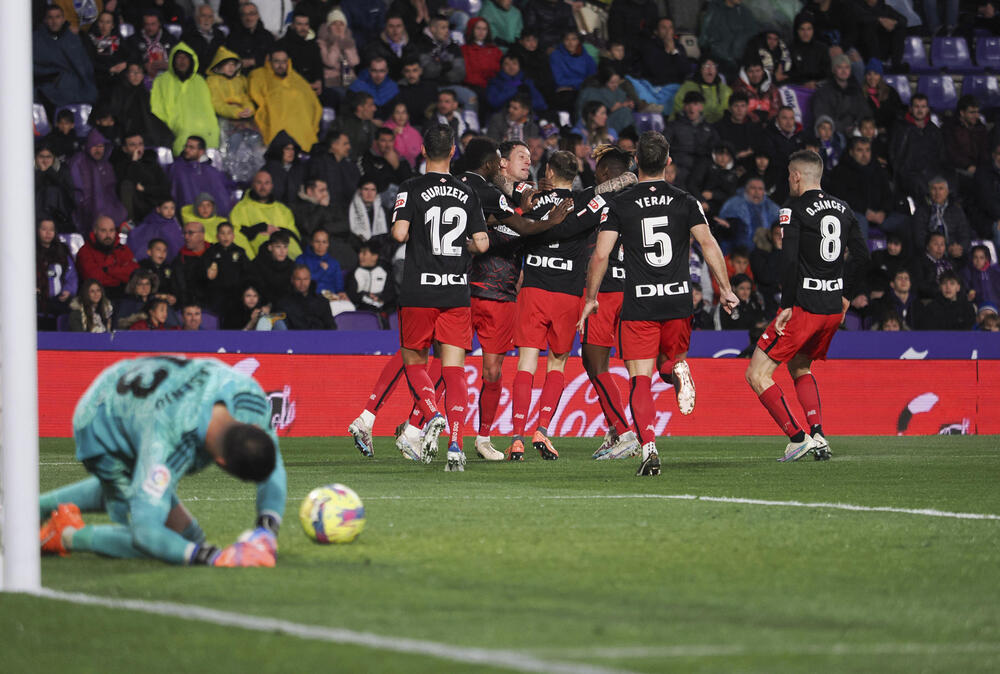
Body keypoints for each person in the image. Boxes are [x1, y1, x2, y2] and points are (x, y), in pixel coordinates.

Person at [580, 131, 739, 476]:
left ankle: (649, 450)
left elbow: (601, 256)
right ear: (668, 162)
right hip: (679, 302)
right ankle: (677, 370)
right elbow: (709, 245)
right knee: (670, 363)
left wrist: (592, 298)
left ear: (637, 162)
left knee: (640, 379)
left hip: (641, 304)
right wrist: (725, 289)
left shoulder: (619, 204)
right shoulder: (686, 201)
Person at [38, 356, 284, 567]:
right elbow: (146, 532)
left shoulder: (249, 397)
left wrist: (267, 529)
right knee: (177, 538)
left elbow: (272, 463)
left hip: (139, 392)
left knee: (177, 530)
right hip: (102, 421)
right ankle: (65, 535)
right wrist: (209, 557)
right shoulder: (167, 445)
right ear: (220, 462)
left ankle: (39, 506)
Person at [744, 150, 869, 462]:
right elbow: (863, 256)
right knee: (801, 366)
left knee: (757, 375)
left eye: (789, 175)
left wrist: (786, 304)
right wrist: (846, 295)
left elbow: (789, 260)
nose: (788, 180)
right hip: (830, 309)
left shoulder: (793, 210)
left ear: (797, 176)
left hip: (803, 307)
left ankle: (798, 438)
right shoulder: (844, 208)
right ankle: (818, 435)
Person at [381, 124, 490, 471]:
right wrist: (465, 245)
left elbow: (399, 233)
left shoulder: (410, 187)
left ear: (424, 152)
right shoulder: (467, 190)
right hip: (456, 290)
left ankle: (431, 414)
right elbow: (483, 243)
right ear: (453, 151)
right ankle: (456, 445)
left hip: (419, 289)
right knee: (454, 369)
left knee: (414, 361)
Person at [151, 43, 220, 157]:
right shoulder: (161, 81)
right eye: (179, 57)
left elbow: (208, 109)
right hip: (175, 131)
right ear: (173, 59)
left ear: (191, 60)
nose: (182, 61)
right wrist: (173, 126)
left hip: (204, 132)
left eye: (186, 58)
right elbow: (157, 108)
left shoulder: (200, 81)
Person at [827, 136, 900, 241]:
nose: (864, 154)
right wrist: (865, 211)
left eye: (867, 150)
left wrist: (884, 212)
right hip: (855, 213)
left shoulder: (879, 170)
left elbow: (888, 195)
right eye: (860, 150)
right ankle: (861, 257)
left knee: (904, 221)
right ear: (851, 152)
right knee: (860, 222)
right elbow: (840, 197)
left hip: (879, 215)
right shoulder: (840, 171)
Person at [249, 48, 323, 151]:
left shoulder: (296, 78)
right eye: (277, 61)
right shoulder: (259, 75)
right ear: (269, 62)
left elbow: (313, 102)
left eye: (284, 61)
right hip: (276, 119)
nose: (281, 65)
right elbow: (257, 96)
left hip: (301, 123)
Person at [33, 4, 98, 109]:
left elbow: (84, 65)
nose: (54, 21)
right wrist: (54, 74)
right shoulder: (36, 39)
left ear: (63, 19)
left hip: (76, 84)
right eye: (50, 17)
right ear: (45, 20)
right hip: (49, 85)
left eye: (57, 17)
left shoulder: (73, 38)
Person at [230, 171, 303, 260]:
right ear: (253, 185)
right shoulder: (241, 209)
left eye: (266, 183)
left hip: (289, 263)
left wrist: (277, 232)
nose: (263, 187)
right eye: (259, 182)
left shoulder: (283, 209)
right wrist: (259, 229)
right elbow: (237, 236)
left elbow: (294, 235)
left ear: (272, 186)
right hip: (258, 264)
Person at [69, 130, 128, 234]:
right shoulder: (78, 161)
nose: (98, 150)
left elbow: (111, 191)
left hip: (107, 208)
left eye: (101, 146)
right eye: (95, 146)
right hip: (85, 208)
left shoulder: (106, 165)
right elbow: (77, 190)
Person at [889, 94, 945, 202]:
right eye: (916, 106)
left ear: (928, 109)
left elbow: (940, 156)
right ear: (910, 108)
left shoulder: (934, 131)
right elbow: (894, 155)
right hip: (908, 174)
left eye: (923, 107)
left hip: (930, 174)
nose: (920, 110)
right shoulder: (900, 128)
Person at [109, 62, 176, 149]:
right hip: (126, 136)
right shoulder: (118, 91)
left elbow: (151, 116)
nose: (136, 75)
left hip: (145, 136)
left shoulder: (145, 93)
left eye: (139, 72)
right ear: (126, 74)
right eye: (133, 72)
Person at [665, 91, 720, 192]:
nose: (692, 108)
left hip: (701, 167)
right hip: (680, 166)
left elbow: (716, 147)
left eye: (695, 104)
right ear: (684, 107)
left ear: (701, 107)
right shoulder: (674, 126)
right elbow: (664, 145)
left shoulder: (709, 128)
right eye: (688, 104)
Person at [112, 131, 173, 223]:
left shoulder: (152, 163)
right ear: (125, 149)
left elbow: (165, 187)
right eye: (133, 145)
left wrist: (145, 189)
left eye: (140, 144)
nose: (138, 148)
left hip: (156, 208)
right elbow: (127, 185)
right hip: (137, 213)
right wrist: (134, 163)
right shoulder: (120, 166)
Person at [76, 215, 139, 300]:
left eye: (111, 230)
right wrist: (120, 275)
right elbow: (95, 279)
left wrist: (108, 270)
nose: (108, 235)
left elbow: (134, 273)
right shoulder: (85, 252)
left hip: (124, 296)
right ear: (95, 231)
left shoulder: (123, 249)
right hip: (97, 299)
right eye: (103, 231)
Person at [168, 136, 234, 215]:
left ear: (201, 152)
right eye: (186, 146)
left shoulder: (211, 171)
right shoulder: (176, 168)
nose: (186, 150)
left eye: (191, 147)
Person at [698, 0, 759, 80]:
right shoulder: (714, 10)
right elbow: (705, 39)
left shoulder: (743, 11)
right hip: (720, 60)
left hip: (739, 60)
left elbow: (753, 31)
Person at [811, 54, 869, 137]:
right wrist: (843, 128)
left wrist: (857, 126)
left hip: (856, 132)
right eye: (840, 67)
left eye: (847, 67)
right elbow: (822, 117)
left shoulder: (855, 90)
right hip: (833, 133)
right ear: (834, 70)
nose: (844, 71)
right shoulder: (823, 92)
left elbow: (865, 112)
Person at [36, 218, 78, 330]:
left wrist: (68, 290)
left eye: (51, 229)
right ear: (37, 231)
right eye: (44, 229)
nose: (48, 233)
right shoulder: (28, 251)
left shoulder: (62, 252)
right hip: (36, 302)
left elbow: (72, 275)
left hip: (58, 302)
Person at [672, 56, 733, 124]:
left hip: (718, 127)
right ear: (700, 69)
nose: (710, 70)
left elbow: (729, 111)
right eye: (706, 66)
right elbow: (678, 107)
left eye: (713, 66)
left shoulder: (725, 90)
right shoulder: (688, 87)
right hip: (691, 126)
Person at [274, 265, 337, 329]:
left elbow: (331, 327)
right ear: (292, 280)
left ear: (310, 279)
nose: (302, 283)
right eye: (298, 279)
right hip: (295, 338)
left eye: (305, 279)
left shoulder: (322, 301)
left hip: (320, 338)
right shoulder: (283, 304)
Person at [549, 31, 597, 115]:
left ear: (578, 41)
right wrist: (581, 84)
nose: (570, 43)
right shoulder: (556, 55)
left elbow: (592, 75)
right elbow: (559, 80)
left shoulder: (583, 53)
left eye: (574, 39)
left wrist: (577, 86)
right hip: (566, 92)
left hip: (583, 88)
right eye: (567, 39)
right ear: (563, 41)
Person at [277, 8, 324, 92]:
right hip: (291, 89)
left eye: (306, 24)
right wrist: (305, 85)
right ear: (292, 25)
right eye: (299, 24)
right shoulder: (282, 45)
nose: (303, 28)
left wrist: (319, 81)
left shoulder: (313, 44)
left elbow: (318, 67)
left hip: (313, 87)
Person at [346, 241, 397, 317]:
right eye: (360, 253)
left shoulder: (385, 272)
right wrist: (365, 296)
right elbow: (351, 294)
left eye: (364, 253)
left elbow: (391, 293)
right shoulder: (354, 273)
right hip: (363, 308)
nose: (360, 256)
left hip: (383, 307)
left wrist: (380, 298)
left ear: (375, 256)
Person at [35, 142, 77, 234]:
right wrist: (41, 173)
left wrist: (50, 172)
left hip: (59, 220)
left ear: (53, 158)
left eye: (48, 157)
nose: (45, 161)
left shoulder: (63, 171)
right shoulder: (27, 172)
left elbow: (70, 195)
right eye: (41, 157)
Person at [85, 10, 128, 98]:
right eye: (101, 22)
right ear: (97, 23)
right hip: (97, 79)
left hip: (117, 79)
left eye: (108, 22)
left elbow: (130, 56)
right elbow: (89, 62)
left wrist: (125, 64)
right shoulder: (89, 39)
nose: (104, 26)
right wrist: (109, 69)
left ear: (112, 25)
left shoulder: (118, 39)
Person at [128, 198, 185, 263]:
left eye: (172, 208)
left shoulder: (174, 221)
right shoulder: (152, 222)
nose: (170, 211)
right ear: (158, 209)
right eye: (166, 208)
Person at [297, 229, 348, 300]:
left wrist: (341, 292)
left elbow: (339, 285)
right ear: (312, 242)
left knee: (348, 307)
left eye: (324, 242)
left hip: (330, 297)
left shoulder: (334, 263)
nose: (321, 245)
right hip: (309, 297)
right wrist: (321, 271)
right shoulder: (301, 259)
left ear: (328, 244)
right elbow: (301, 282)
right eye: (317, 241)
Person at [225, 2, 276, 72]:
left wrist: (255, 61)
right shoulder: (232, 37)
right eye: (244, 14)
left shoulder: (267, 36)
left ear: (258, 16)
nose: (248, 18)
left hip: (263, 75)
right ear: (240, 17)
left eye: (251, 14)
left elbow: (274, 58)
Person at [362, 127, 414, 193]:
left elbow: (409, 184)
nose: (388, 145)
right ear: (376, 141)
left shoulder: (401, 159)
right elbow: (366, 181)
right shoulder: (367, 157)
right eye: (383, 141)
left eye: (390, 141)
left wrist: (397, 166)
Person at [396, 59, 440, 128]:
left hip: (430, 126)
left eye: (415, 70)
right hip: (407, 127)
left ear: (420, 71)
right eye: (407, 71)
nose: (411, 75)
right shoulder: (398, 90)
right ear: (403, 73)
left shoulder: (431, 87)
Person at [383, 102, 424, 166]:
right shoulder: (385, 129)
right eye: (397, 112)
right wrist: (392, 135)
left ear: (407, 115)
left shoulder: (413, 131)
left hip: (413, 166)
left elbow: (421, 151)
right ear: (392, 115)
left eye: (403, 112)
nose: (401, 116)